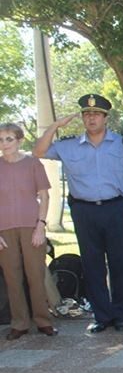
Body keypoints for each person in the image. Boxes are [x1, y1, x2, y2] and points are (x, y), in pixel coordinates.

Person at [34, 95, 123, 333]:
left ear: (106, 118)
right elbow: (38, 151)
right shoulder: (68, 144)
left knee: (119, 263)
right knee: (92, 264)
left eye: (96, 114)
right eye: (86, 114)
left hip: (116, 208)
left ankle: (122, 314)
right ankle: (102, 316)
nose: (91, 118)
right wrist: (55, 126)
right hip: (84, 210)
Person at [0, 123, 57, 339]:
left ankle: (43, 320)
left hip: (32, 227)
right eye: (1, 139)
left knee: (36, 275)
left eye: (9, 139)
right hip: (4, 230)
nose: (4, 144)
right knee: (12, 278)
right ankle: (19, 323)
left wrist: (40, 225)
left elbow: (45, 196)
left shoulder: (33, 164)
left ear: (19, 140)